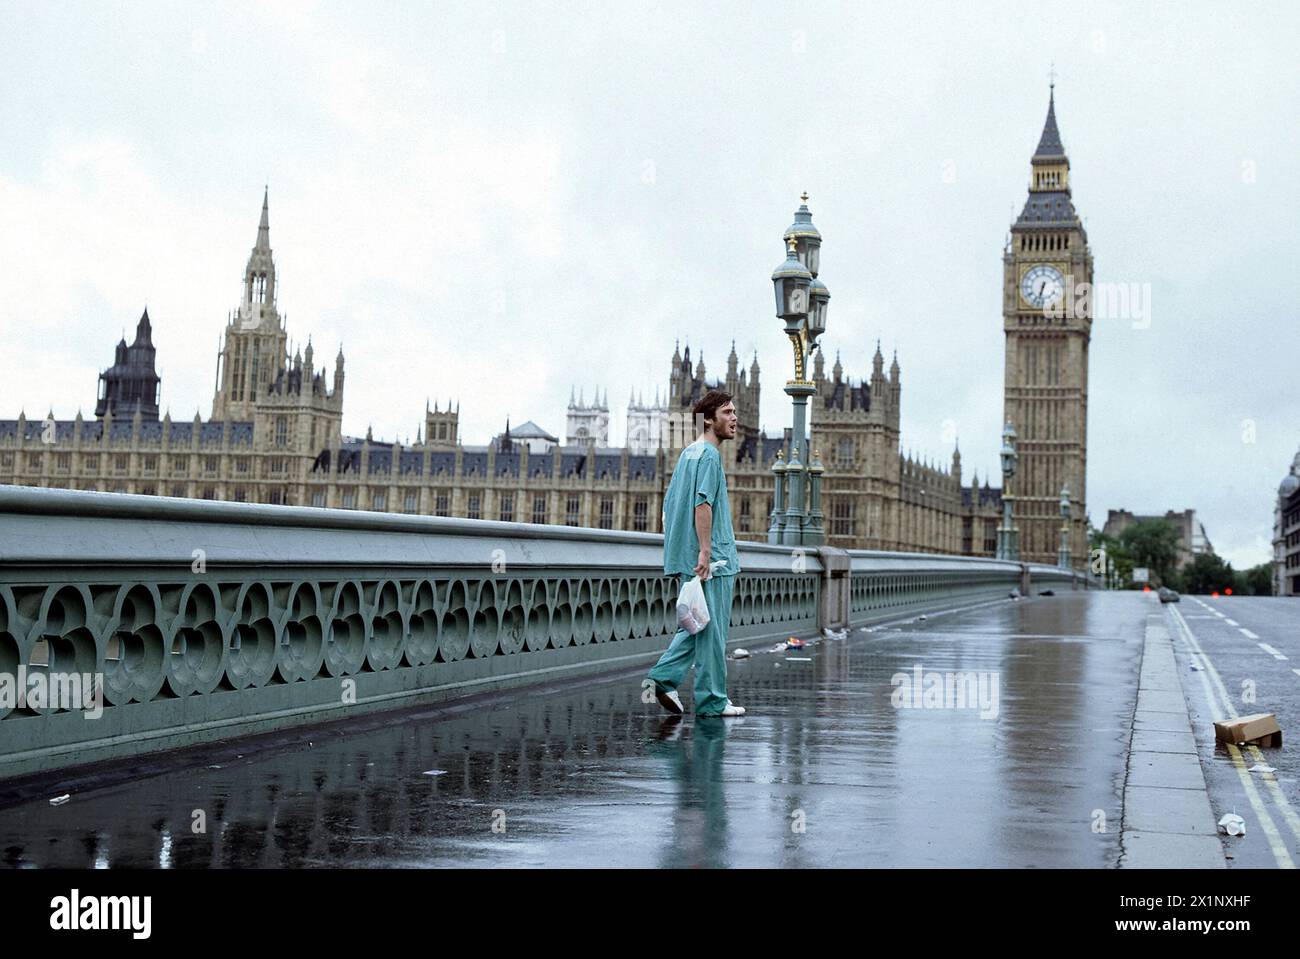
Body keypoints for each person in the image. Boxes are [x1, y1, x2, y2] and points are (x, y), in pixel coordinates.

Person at [648, 389, 745, 717]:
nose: (734, 419)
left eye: (734, 412)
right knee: (712, 631)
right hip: (713, 559)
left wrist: (685, 552)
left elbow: (669, 506)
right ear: (709, 419)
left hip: (688, 557)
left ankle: (662, 678)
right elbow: (702, 503)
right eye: (727, 413)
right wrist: (705, 552)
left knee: (698, 624)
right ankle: (712, 701)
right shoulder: (710, 456)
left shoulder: (688, 454)